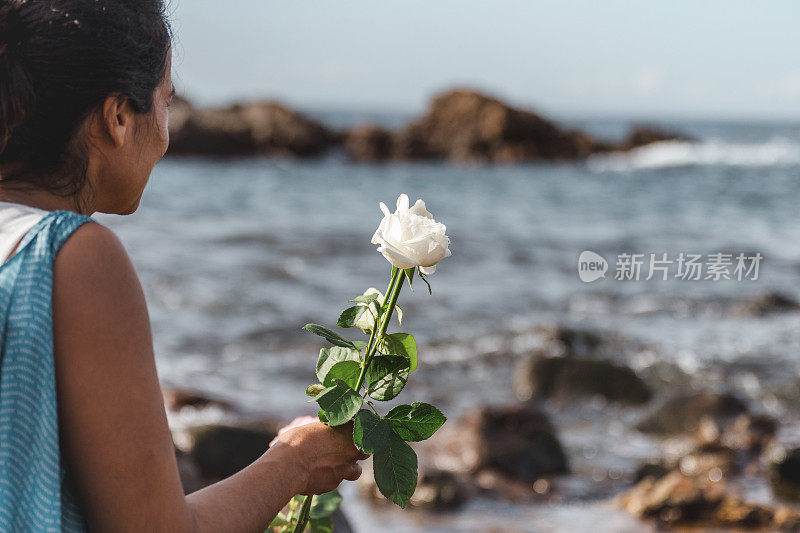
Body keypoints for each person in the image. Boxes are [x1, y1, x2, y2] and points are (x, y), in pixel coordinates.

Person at [0, 1, 366, 531]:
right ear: (119, 116)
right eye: (165, 102)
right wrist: (295, 462)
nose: (167, 137)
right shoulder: (71, 256)